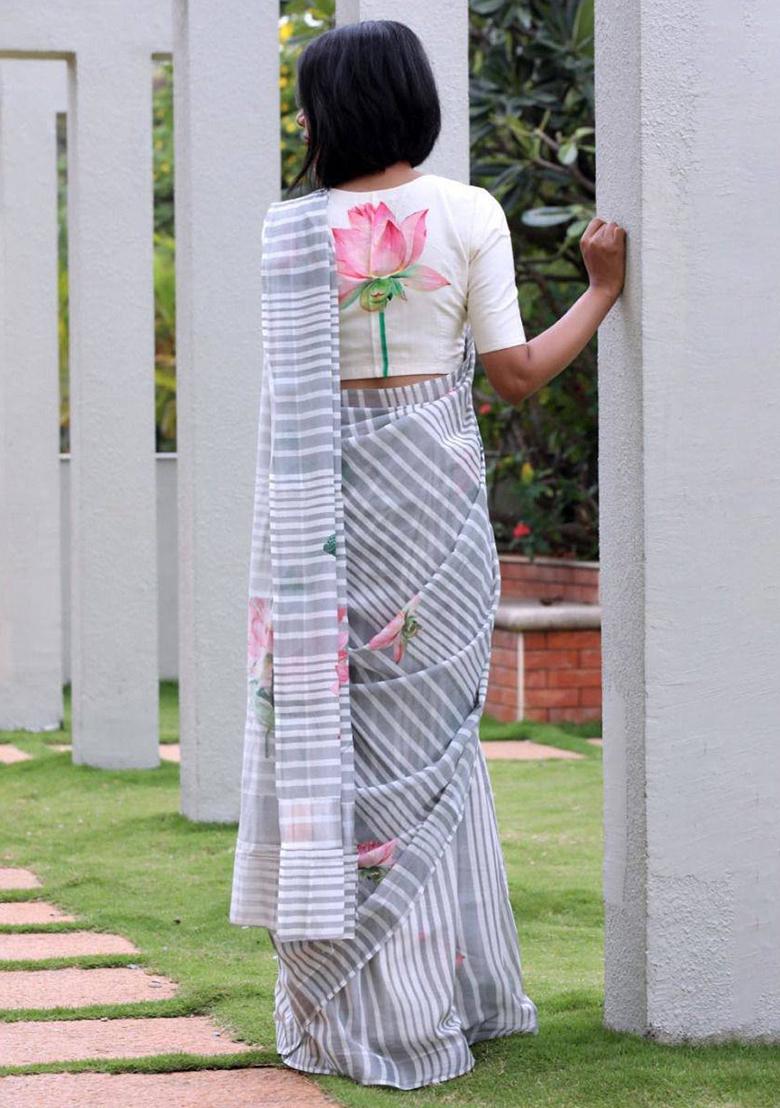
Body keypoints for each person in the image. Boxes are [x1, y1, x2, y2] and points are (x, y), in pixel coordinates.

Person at [229, 18, 626, 1092]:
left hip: (324, 522)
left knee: (343, 756)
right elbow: (515, 375)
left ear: (326, 115)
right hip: (435, 520)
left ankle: (362, 1004)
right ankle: (441, 999)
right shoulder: (468, 211)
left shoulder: (288, 230)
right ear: (414, 102)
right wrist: (599, 289)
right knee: (434, 752)